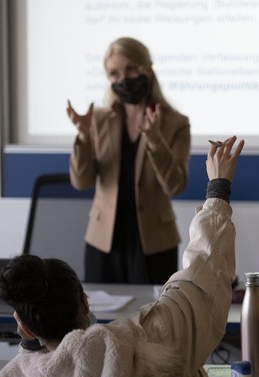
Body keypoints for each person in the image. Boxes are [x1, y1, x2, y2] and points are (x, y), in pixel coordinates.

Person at [0, 136, 244, 377]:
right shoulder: (143, 343)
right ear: (84, 300)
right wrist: (218, 187)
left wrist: (29, 346)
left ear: (24, 327)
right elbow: (201, 280)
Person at [67, 36, 191, 284]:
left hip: (154, 241)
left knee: (155, 318)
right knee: (102, 321)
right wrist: (83, 136)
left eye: (130, 69)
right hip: (104, 240)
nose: (122, 79)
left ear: (147, 68)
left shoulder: (175, 122)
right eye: (114, 73)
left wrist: (156, 141)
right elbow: (81, 181)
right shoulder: (100, 119)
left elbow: (175, 185)